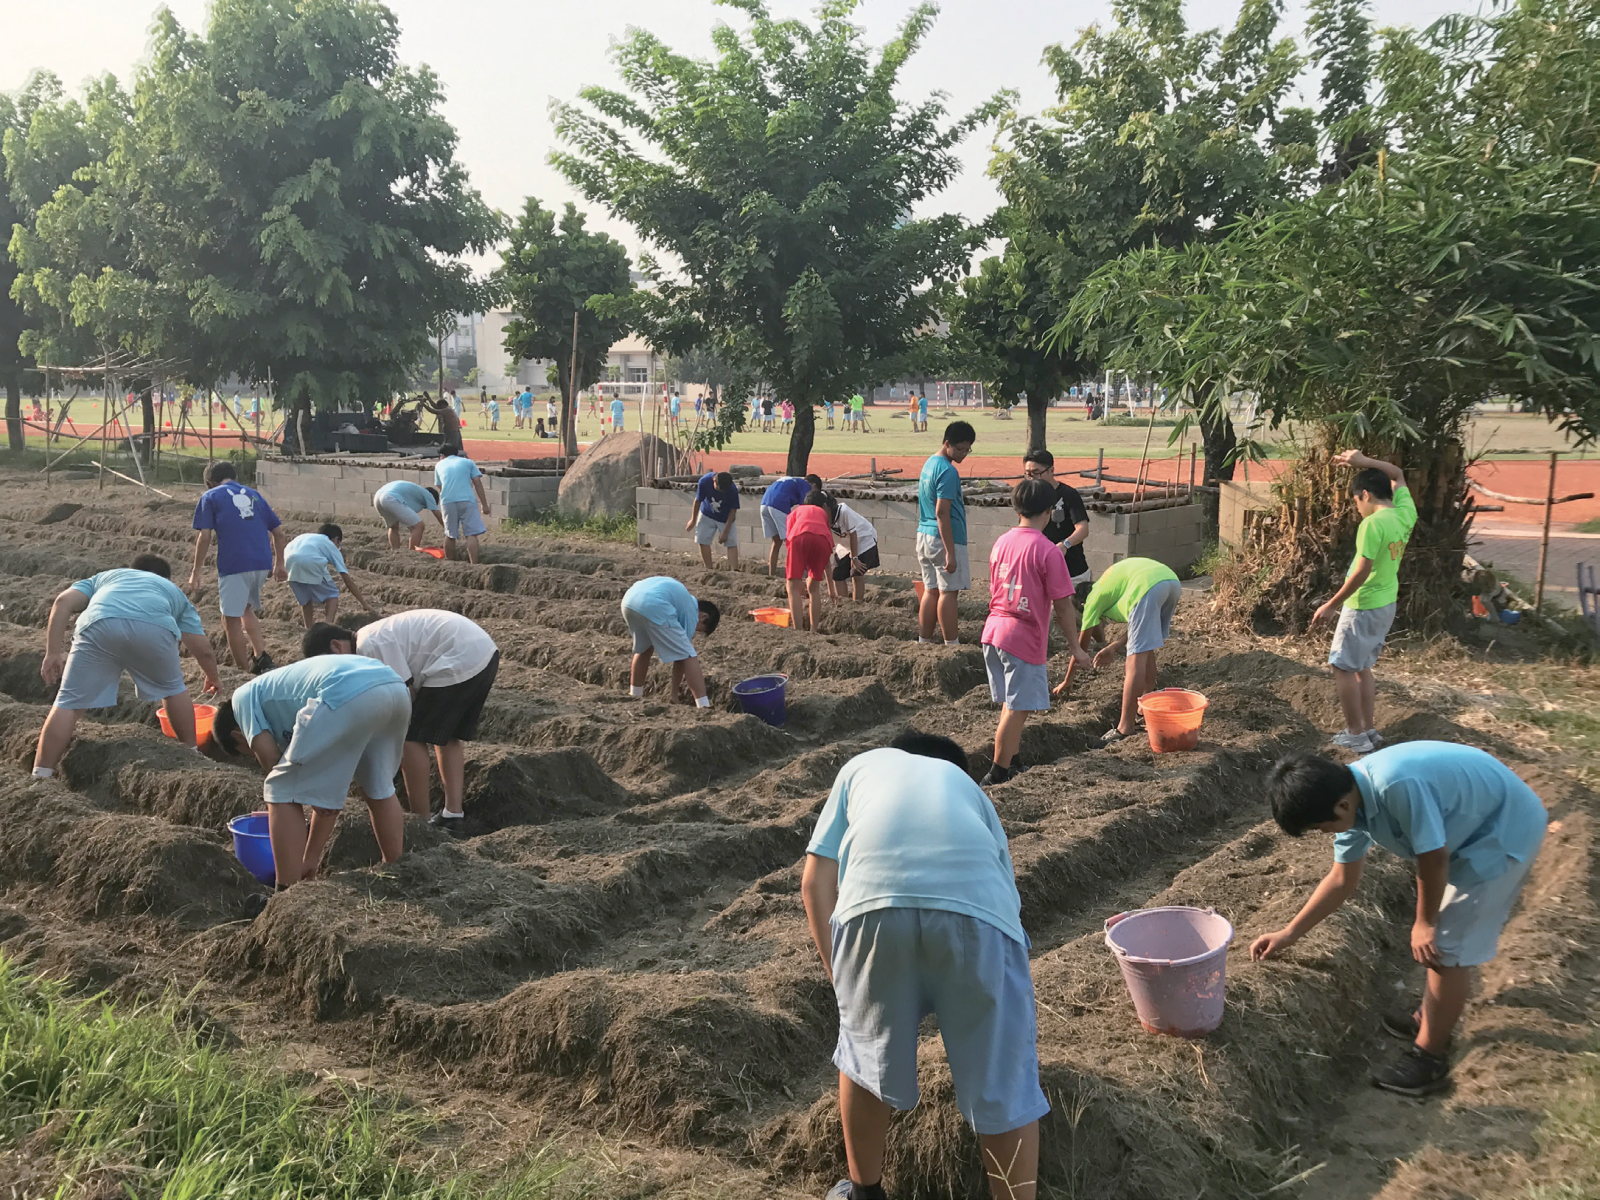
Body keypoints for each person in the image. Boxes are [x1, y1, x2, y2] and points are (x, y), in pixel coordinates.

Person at [802, 732, 1049, 1200]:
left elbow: (815, 882)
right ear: (954, 767)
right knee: (1004, 1077)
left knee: (864, 1055)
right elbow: (1005, 895)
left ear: (899, 752)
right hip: (978, 910)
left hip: (873, 903)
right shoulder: (971, 791)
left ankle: (864, 1192)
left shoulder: (863, 765)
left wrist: (844, 983)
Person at [1252, 743, 1547, 1096]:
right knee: (1441, 940)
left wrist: (1425, 923)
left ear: (1340, 806)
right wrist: (1289, 933)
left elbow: (1433, 858)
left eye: (1320, 828)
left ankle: (1429, 1058)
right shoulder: (1349, 797)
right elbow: (1342, 879)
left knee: (1449, 949)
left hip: (1503, 831)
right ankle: (1429, 1019)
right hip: (1472, 829)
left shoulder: (1394, 785)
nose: (1324, 834)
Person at [204, 655, 411, 887]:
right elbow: (323, 790)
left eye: (245, 751)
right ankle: (395, 868)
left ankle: (285, 891)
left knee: (279, 788)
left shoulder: (243, 698)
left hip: (345, 693)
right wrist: (311, 856)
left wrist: (303, 792)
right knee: (379, 786)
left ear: (238, 737)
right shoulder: (278, 698)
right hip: (394, 688)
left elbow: (271, 759)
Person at [303, 611, 499, 835]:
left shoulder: (370, 645)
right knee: (447, 736)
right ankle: (452, 815)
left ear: (337, 646)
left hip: (458, 656)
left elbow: (404, 696)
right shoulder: (373, 636)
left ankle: (421, 821)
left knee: (410, 738)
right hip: (482, 653)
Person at [32, 555, 221, 777]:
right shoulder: (171, 591)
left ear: (131, 570)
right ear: (167, 579)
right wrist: (213, 677)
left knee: (68, 703)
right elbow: (203, 648)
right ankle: (191, 753)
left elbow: (62, 602)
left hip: (99, 624)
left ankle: (41, 774)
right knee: (172, 689)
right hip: (154, 629)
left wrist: (53, 652)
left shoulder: (107, 578)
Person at [980, 479, 1095, 785]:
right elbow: (1063, 606)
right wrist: (1076, 648)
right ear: (1049, 511)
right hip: (1021, 637)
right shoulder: (1047, 550)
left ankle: (1012, 759)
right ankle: (997, 774)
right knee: (1020, 707)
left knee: (1013, 704)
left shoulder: (1001, 542)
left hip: (993, 632)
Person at [1311, 451, 1417, 752]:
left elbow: (1361, 570)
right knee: (1362, 667)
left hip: (1363, 604)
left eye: (1357, 501)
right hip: (1386, 603)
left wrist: (1331, 604)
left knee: (1342, 666)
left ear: (1366, 495)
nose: (1357, 507)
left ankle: (1355, 735)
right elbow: (1397, 473)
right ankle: (1369, 730)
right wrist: (1363, 461)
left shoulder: (1372, 525)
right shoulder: (1404, 513)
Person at [1065, 556, 1182, 743]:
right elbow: (1141, 629)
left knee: (1134, 661)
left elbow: (1081, 648)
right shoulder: (1110, 587)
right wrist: (1113, 646)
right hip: (1171, 582)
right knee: (1146, 648)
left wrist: (1067, 681)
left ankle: (1124, 728)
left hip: (1148, 586)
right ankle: (1145, 708)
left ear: (1082, 604)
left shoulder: (1093, 599)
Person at [187, 460, 286, 674]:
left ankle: (242, 670)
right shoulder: (254, 495)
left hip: (235, 563)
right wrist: (280, 563)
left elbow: (204, 536)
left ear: (208, 482)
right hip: (262, 561)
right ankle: (261, 656)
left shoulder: (211, 496)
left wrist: (196, 571)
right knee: (245, 609)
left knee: (230, 618)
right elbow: (278, 532)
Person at [916, 421, 976, 645]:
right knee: (949, 592)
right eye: (960, 449)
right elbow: (942, 513)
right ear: (947, 443)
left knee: (931, 590)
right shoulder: (948, 471)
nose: (963, 454)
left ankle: (924, 640)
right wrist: (950, 553)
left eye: (968, 450)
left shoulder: (929, 464)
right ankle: (952, 644)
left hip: (924, 534)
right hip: (943, 538)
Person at [620, 576, 720, 706]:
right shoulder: (690, 610)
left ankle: (635, 695)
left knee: (644, 649)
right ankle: (704, 705)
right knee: (689, 654)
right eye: (699, 630)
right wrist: (673, 694)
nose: (695, 632)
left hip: (629, 602)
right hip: (653, 604)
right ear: (703, 617)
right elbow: (682, 658)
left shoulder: (681, 598)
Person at [1022, 449, 1093, 603]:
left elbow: (1083, 528)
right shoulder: (1028, 496)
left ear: (1051, 470)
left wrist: (1065, 545)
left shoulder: (1068, 495)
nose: (1032, 478)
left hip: (1071, 569)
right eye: (1028, 473)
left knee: (1081, 617)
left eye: (1036, 472)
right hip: (1040, 569)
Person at [283, 523, 377, 629]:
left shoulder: (304, 538)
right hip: (310, 561)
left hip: (289, 563)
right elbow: (346, 578)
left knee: (306, 600)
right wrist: (364, 604)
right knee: (332, 594)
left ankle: (308, 630)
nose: (338, 547)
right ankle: (327, 628)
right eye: (339, 544)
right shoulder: (329, 544)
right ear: (336, 539)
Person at [785, 489, 834, 632]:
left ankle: (798, 629)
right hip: (823, 541)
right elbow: (827, 562)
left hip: (799, 535)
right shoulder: (823, 514)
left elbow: (790, 539)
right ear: (823, 506)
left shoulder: (796, 511)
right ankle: (813, 630)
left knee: (792, 587)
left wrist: (796, 579)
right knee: (814, 588)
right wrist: (831, 588)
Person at [432, 447, 492, 563]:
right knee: (471, 534)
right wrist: (484, 505)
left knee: (450, 534)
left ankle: (449, 562)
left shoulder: (439, 465)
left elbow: (439, 486)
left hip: (448, 501)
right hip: (467, 500)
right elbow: (477, 482)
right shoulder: (468, 462)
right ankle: (474, 563)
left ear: (443, 455)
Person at [826, 494, 879, 602]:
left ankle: (857, 604)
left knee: (856, 572)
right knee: (836, 573)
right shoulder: (819, 520)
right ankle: (842, 604)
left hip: (864, 538)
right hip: (844, 544)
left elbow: (853, 535)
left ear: (826, 507)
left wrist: (854, 558)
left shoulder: (844, 511)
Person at [760, 473, 813, 576]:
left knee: (776, 542)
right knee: (791, 542)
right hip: (779, 505)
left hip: (764, 504)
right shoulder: (806, 485)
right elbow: (805, 506)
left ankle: (772, 573)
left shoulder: (790, 480)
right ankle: (796, 572)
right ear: (813, 485)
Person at [688, 469, 740, 569]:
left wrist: (725, 531)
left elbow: (733, 510)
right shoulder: (704, 481)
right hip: (707, 513)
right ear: (714, 480)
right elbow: (698, 501)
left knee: (731, 542)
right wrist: (693, 520)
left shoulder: (732, 489)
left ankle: (734, 569)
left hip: (726, 517)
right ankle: (708, 568)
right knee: (702, 539)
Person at [373, 480, 445, 551]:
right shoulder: (428, 494)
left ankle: (395, 551)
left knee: (393, 526)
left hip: (378, 497)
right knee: (419, 526)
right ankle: (412, 553)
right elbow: (438, 515)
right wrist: (448, 529)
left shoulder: (415, 493)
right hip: (390, 497)